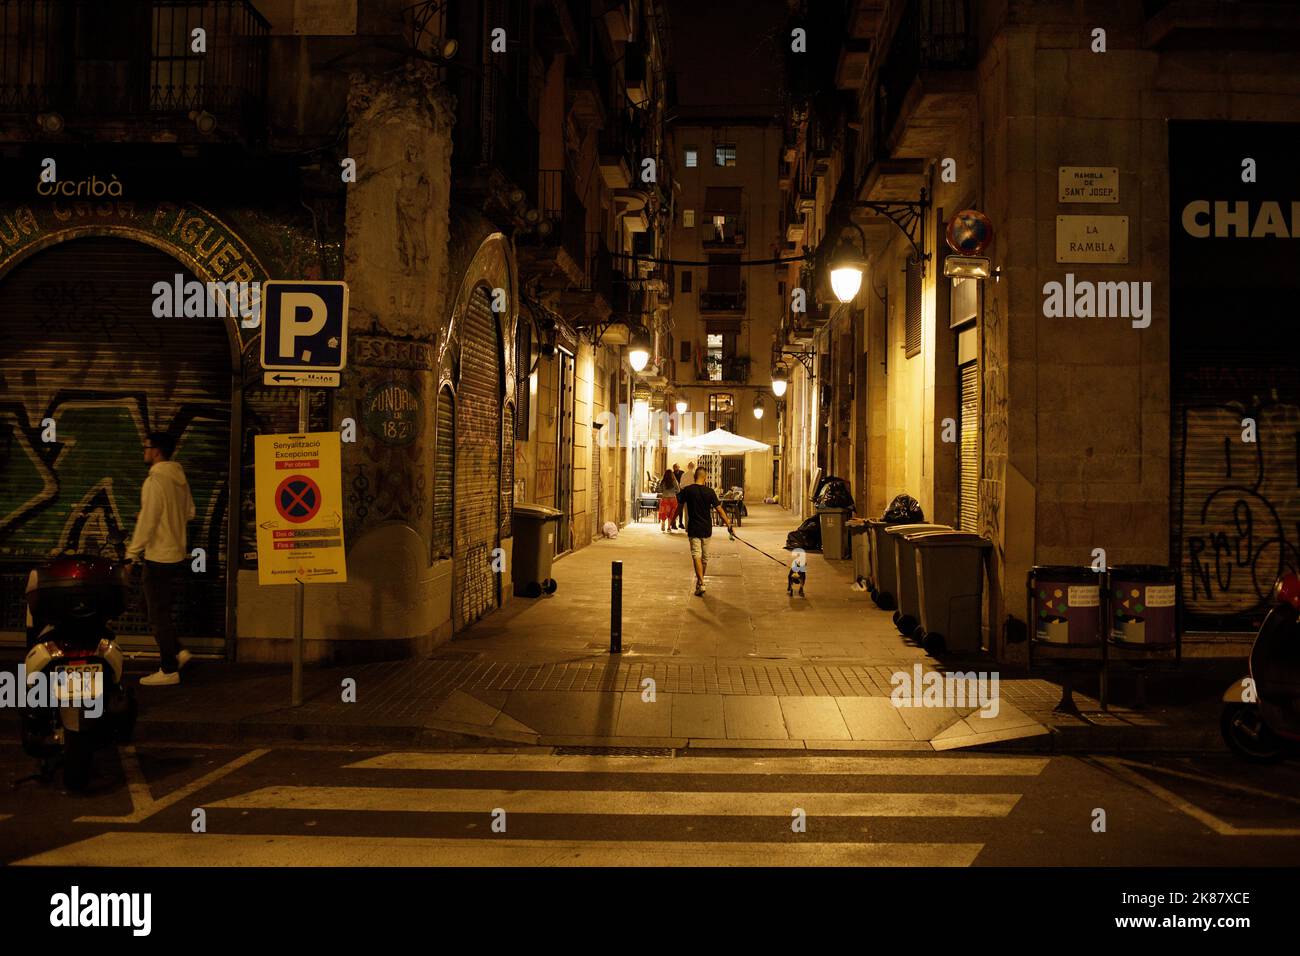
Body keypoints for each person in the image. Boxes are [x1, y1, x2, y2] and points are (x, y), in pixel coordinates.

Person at [127, 431, 195, 686]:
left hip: (158, 556)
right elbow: (189, 512)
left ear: (156, 452)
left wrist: (131, 554)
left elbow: (148, 521)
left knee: (156, 614)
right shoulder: (179, 479)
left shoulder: (154, 481)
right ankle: (178, 651)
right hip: (176, 554)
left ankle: (168, 670)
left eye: (146, 447)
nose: (143, 451)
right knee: (151, 607)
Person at [676, 465, 733, 596]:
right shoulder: (710, 492)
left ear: (695, 477)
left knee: (696, 555)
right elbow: (719, 509)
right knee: (704, 558)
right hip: (707, 529)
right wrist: (728, 524)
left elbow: (679, 506)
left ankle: (701, 583)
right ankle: (700, 583)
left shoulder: (688, 490)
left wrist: (672, 520)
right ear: (705, 478)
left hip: (694, 528)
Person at [657, 467, 679, 533]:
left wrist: (664, 491)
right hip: (673, 499)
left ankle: (663, 523)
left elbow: (659, 490)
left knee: (664, 512)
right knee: (671, 513)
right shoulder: (674, 481)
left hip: (665, 498)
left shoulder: (663, 481)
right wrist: (673, 492)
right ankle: (669, 527)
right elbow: (678, 490)